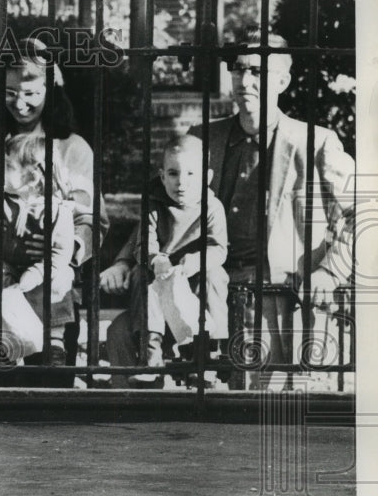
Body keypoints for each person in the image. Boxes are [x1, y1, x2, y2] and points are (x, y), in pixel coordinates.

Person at [101, 28, 355, 387]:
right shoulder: (202, 138)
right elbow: (156, 208)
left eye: (258, 71)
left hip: (273, 293)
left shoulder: (316, 143)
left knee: (253, 406)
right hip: (194, 284)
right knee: (124, 336)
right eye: (238, 68)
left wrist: (329, 273)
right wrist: (125, 259)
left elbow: (362, 218)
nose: (245, 79)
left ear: (282, 80)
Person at [0, 37, 108, 368]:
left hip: (50, 272)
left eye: (31, 94)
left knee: (49, 388)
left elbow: (93, 219)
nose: (19, 104)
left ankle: (50, 347)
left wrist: (65, 248)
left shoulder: (73, 148)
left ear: (51, 93)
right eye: (10, 93)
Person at [116, 135, 229, 386]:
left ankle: (205, 357)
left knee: (215, 276)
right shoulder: (155, 204)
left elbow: (218, 248)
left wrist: (196, 261)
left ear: (207, 177)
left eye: (191, 174)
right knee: (139, 275)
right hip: (161, 270)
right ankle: (150, 353)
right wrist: (155, 259)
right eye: (173, 173)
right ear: (162, 175)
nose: (182, 183)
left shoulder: (212, 207)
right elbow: (143, 242)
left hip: (194, 270)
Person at [0, 132, 77, 365]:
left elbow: (60, 254)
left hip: (42, 265)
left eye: (8, 166)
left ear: (33, 176)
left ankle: (55, 343)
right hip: (2, 259)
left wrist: (35, 274)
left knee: (62, 278)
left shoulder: (57, 211)